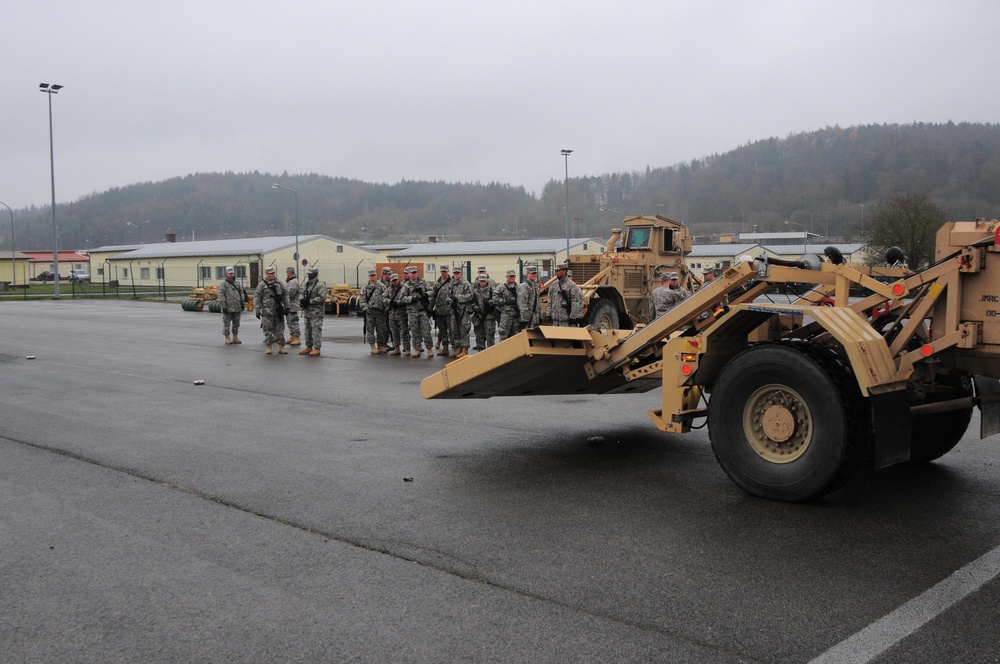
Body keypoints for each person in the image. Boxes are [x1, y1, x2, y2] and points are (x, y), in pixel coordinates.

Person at [254, 266, 290, 355]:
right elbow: (257, 297)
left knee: (280, 330)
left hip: (278, 311)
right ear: (266, 274)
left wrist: (287, 306)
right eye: (270, 273)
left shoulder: (279, 283)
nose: (273, 275)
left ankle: (281, 347)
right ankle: (269, 347)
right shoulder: (262, 284)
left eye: (273, 273)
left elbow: (285, 294)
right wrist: (257, 310)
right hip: (267, 312)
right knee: (267, 330)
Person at [400, 266, 434, 358]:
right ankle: (417, 348)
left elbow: (431, 291)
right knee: (414, 331)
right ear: (409, 274)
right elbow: (402, 298)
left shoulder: (423, 282)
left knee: (426, 331)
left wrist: (425, 295)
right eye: (412, 273)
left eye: (415, 272)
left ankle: (429, 348)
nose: (414, 275)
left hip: (423, 311)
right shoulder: (406, 285)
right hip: (412, 311)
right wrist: (412, 298)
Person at [298, 266, 328, 356]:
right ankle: (308, 346)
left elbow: (322, 298)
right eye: (308, 274)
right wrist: (302, 301)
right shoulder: (307, 284)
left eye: (310, 274)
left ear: (315, 274)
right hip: (308, 312)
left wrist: (310, 301)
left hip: (316, 312)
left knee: (316, 330)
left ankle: (317, 348)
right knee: (307, 331)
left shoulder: (320, 285)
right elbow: (303, 294)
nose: (308, 275)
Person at [361, 268, 389, 354]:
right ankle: (372, 346)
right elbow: (362, 301)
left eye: (374, 275)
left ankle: (380, 345)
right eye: (371, 275)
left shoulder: (382, 286)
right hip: (370, 312)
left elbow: (386, 297)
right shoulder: (365, 288)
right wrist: (366, 308)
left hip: (380, 311)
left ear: (376, 275)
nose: (373, 277)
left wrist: (386, 308)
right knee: (370, 330)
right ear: (369, 276)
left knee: (381, 330)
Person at [447, 267, 473, 358]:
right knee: (454, 329)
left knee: (464, 329)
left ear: (461, 273)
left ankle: (465, 349)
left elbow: (470, 296)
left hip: (463, 310)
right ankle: (458, 347)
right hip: (454, 310)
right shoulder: (451, 283)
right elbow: (448, 294)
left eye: (458, 273)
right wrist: (449, 300)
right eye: (455, 273)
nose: (456, 275)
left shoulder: (465, 284)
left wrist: (458, 297)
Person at [218, 266, 247, 345]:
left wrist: (242, 302)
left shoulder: (237, 283)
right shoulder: (223, 284)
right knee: (226, 323)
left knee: (236, 323)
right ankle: (227, 337)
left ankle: (235, 336)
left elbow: (241, 293)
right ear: (226, 274)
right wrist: (223, 305)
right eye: (229, 273)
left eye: (232, 273)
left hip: (237, 306)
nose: (231, 275)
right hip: (228, 306)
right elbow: (221, 295)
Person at [384, 272, 410, 356]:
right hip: (392, 314)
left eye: (396, 280)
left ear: (398, 280)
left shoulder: (403, 288)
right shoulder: (389, 289)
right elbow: (383, 298)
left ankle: (407, 348)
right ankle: (396, 348)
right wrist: (390, 302)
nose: (394, 282)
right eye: (393, 281)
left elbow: (405, 298)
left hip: (402, 314)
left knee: (404, 332)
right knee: (394, 332)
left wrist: (398, 303)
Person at [430, 265, 453, 356]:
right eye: (442, 271)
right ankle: (445, 347)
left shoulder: (452, 283)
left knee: (452, 330)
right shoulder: (437, 283)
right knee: (442, 330)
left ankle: (454, 347)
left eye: (445, 271)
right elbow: (433, 296)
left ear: (448, 271)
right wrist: (430, 308)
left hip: (449, 311)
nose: (444, 273)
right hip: (439, 311)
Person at [493, 269, 521, 341]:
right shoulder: (501, 287)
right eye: (510, 276)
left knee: (516, 335)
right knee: (503, 334)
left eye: (513, 276)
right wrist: (504, 301)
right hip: (505, 315)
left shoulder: (518, 287)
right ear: (507, 277)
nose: (512, 278)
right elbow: (494, 298)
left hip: (516, 315)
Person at [471, 274, 497, 350]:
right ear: (478, 281)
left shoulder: (492, 290)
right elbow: (471, 301)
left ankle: (491, 353)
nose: (482, 283)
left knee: (490, 336)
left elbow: (496, 300)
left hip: (489, 317)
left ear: (487, 281)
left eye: (484, 281)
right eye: (481, 281)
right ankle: (481, 352)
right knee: (479, 336)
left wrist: (490, 302)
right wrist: (475, 307)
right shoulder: (475, 291)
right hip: (478, 317)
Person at [284, 267, 301, 346]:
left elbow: (290, 293)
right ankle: (292, 336)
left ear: (289, 273)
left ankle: (297, 337)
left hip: (292, 305)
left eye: (287, 272)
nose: (286, 274)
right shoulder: (291, 281)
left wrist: (283, 294)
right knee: (289, 321)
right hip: (289, 305)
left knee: (293, 322)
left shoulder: (293, 282)